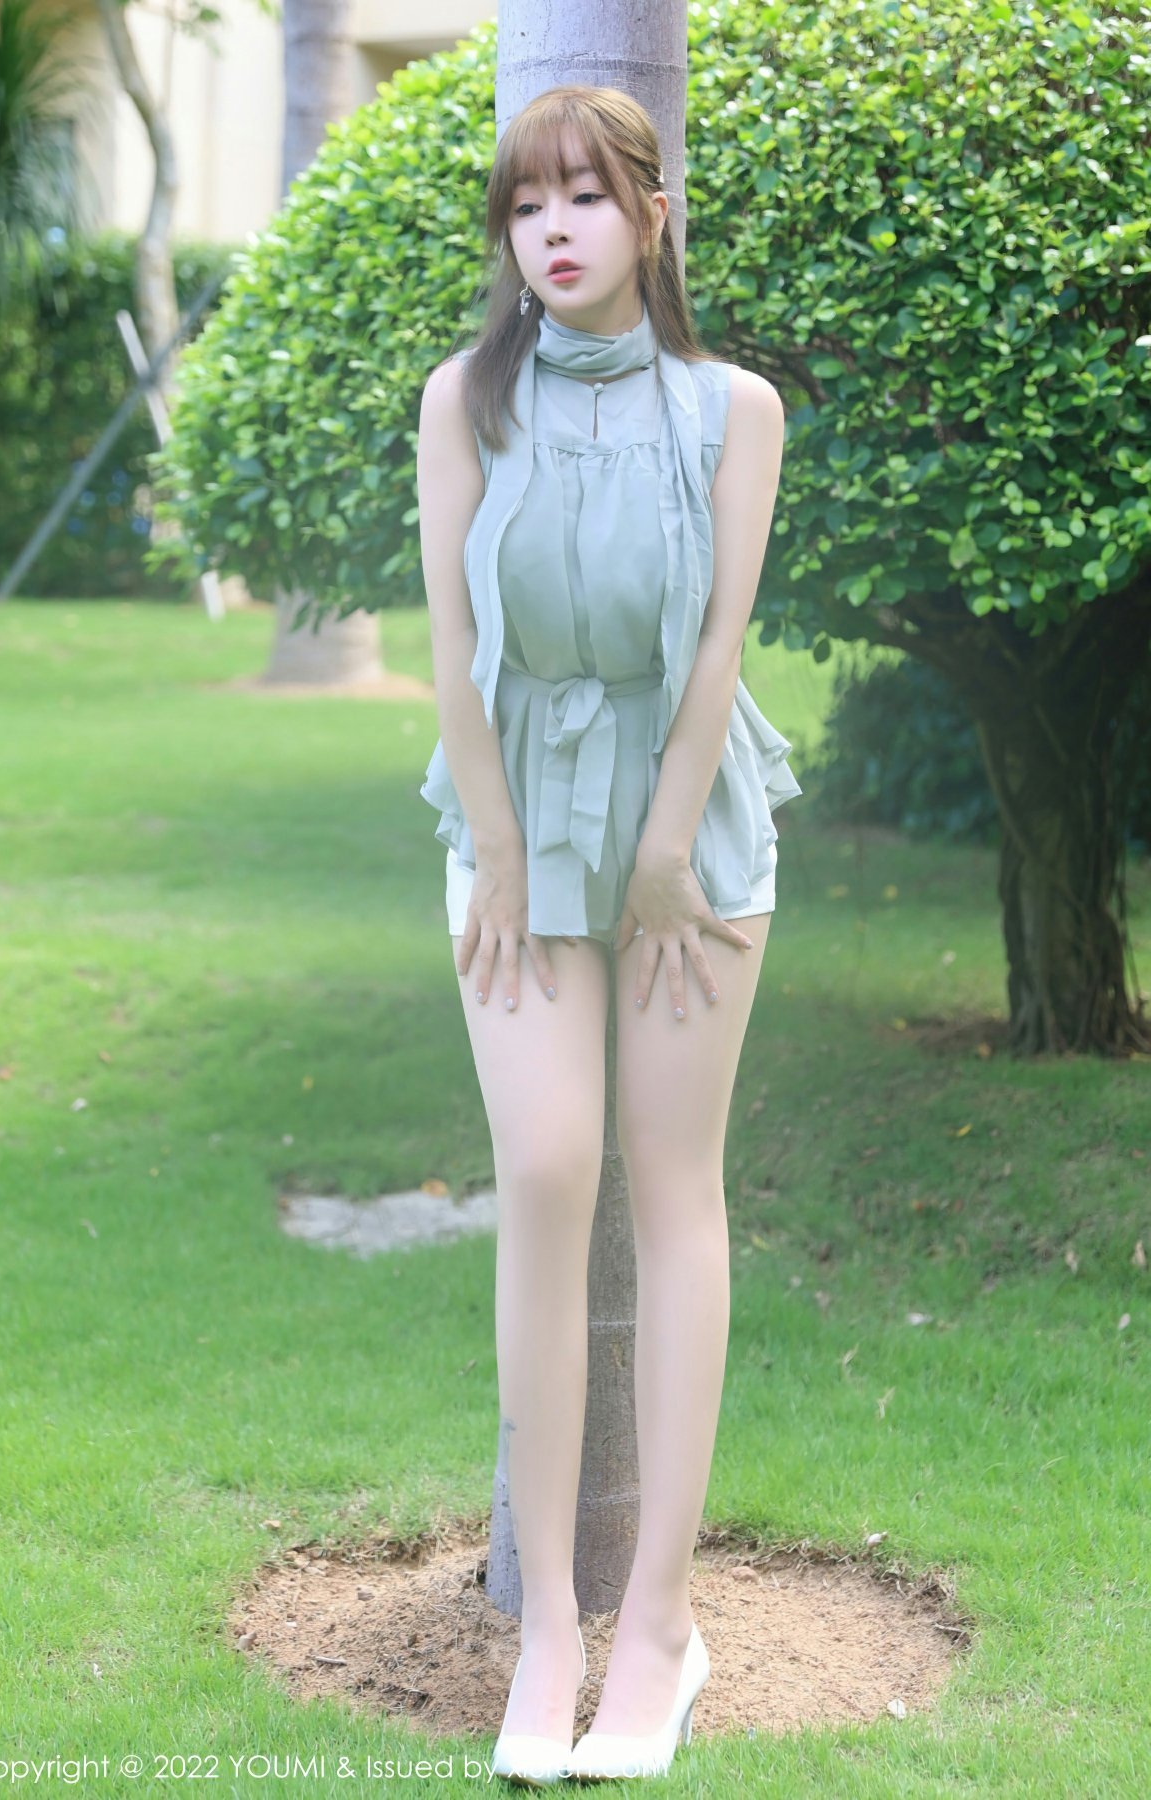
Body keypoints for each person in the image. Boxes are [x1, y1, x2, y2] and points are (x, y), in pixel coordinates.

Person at [415, 84, 802, 1784]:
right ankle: (552, 1631)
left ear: (653, 215)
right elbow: (449, 641)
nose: (552, 229)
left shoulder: (735, 410)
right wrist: (500, 846)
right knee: (551, 1167)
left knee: (675, 1182)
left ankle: (658, 1627)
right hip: (509, 831)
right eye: (525, 205)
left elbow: (718, 646)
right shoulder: (465, 399)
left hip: (685, 835)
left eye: (583, 196)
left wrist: (657, 851)